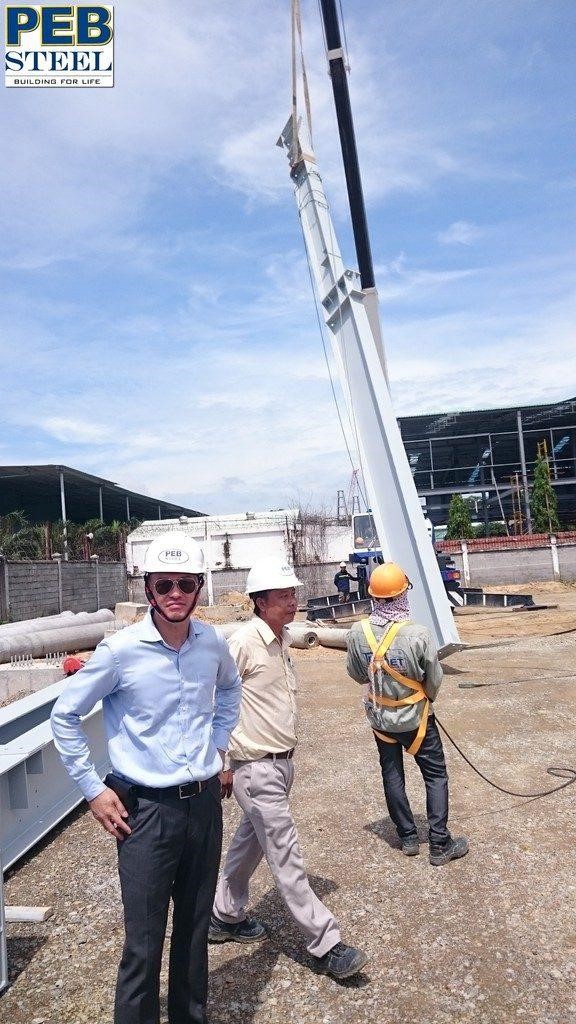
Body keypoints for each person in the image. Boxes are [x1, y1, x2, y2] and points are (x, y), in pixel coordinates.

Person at [50, 532, 242, 1024]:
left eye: (184, 584)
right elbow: (64, 717)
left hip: (202, 806)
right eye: (163, 585)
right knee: (144, 940)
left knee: (195, 929)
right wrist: (93, 790)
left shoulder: (212, 643)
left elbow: (231, 691)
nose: (174, 594)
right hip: (146, 815)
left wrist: (218, 746)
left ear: (199, 587)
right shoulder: (120, 651)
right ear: (147, 589)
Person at [209, 557, 368, 980]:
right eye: (283, 596)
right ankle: (325, 942)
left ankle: (223, 914)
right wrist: (222, 762)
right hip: (255, 767)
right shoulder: (243, 643)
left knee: (251, 842)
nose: (293, 601)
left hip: (280, 765)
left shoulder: (281, 640)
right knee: (286, 853)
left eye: (293, 594)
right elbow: (215, 702)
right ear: (260, 602)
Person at [346, 561, 468, 867]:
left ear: (373, 596)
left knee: (392, 773)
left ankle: (409, 837)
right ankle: (440, 844)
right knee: (435, 775)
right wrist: (425, 697)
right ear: (402, 595)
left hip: (381, 719)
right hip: (417, 719)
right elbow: (434, 678)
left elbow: (357, 673)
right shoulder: (418, 633)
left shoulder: (357, 633)